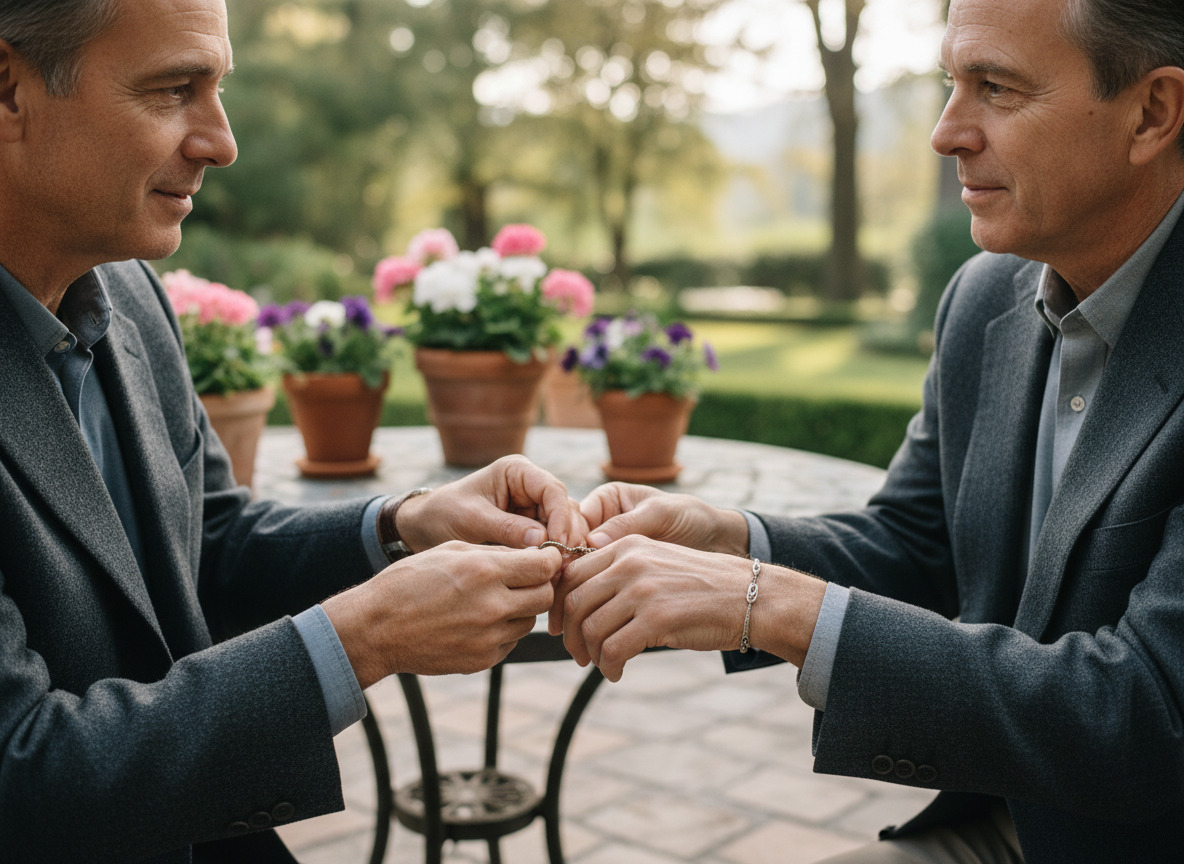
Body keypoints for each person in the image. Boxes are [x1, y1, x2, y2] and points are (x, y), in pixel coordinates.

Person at [553, 0, 1184, 861]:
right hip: (1010, 825)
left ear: (1152, 112)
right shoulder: (985, 299)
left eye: (997, 88)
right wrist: (731, 544)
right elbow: (919, 546)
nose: (945, 133)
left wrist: (768, 604)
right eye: (950, 82)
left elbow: (1146, 714)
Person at [0, 1, 585, 861]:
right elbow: (24, 772)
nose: (222, 142)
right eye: (173, 90)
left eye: (219, 89)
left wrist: (403, 527)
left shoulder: (127, 293)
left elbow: (210, 544)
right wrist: (363, 637)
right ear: (9, 89)